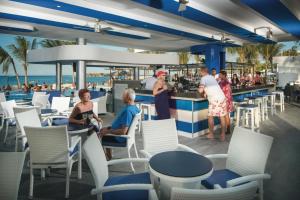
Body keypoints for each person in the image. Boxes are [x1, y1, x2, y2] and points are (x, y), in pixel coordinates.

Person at [99, 89, 140, 160]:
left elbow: (123, 131)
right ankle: (108, 156)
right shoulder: (135, 108)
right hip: (120, 132)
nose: (122, 98)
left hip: (120, 137)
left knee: (100, 134)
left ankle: (106, 158)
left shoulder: (128, 111)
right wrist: (110, 128)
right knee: (103, 129)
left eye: (123, 96)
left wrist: (109, 131)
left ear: (128, 98)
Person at [198, 67, 227, 141]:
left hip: (214, 100)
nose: (199, 73)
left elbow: (200, 90)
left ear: (202, 72)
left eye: (200, 72)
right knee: (222, 116)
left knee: (210, 116)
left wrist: (200, 90)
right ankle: (223, 135)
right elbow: (211, 88)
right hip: (222, 98)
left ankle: (211, 134)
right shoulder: (211, 77)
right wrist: (205, 92)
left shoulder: (203, 78)